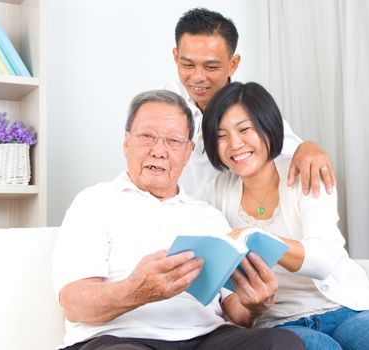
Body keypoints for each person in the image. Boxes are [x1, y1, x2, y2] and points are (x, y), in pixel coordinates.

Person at [52, 89, 305, 350]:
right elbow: (75, 305)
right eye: (147, 137)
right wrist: (136, 290)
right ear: (126, 142)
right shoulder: (94, 202)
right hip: (119, 339)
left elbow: (235, 310)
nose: (159, 151)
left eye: (173, 141)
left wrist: (254, 305)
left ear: (187, 152)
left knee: (282, 342)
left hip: (207, 338)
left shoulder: (209, 216)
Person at [201, 82, 369, 350]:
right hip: (280, 324)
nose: (235, 144)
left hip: (345, 309)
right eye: (221, 135)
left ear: (268, 125)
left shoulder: (305, 169)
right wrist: (251, 307)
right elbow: (229, 295)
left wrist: (253, 236)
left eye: (245, 129)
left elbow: (322, 260)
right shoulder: (213, 195)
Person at [167, 7, 335, 198]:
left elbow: (290, 151)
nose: (198, 77)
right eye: (188, 65)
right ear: (175, 57)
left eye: (211, 66)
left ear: (233, 64)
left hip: (234, 218)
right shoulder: (167, 101)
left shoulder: (247, 106)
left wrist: (309, 148)